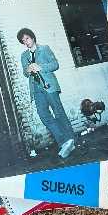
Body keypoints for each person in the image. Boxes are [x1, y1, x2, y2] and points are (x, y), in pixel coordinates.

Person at [17, 28, 76, 159]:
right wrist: (28, 70)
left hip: (49, 86)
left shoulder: (44, 49)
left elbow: (55, 64)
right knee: (43, 115)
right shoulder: (24, 56)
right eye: (23, 41)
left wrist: (41, 67)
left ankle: (71, 140)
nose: (26, 42)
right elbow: (25, 73)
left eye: (27, 38)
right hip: (36, 88)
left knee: (59, 112)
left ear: (32, 37)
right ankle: (64, 142)